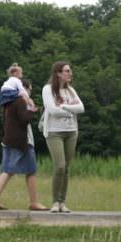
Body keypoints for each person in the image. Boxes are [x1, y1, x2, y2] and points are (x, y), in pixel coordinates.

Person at [0, 71, 47, 211]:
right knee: (18, 170)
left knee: (17, 170)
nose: (30, 93)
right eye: (29, 90)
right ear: (24, 88)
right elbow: (24, 119)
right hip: (21, 141)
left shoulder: (8, 102)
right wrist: (32, 110)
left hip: (11, 139)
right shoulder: (21, 101)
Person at [42, 61, 85, 213]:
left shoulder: (71, 91)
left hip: (71, 132)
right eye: (67, 71)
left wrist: (65, 107)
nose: (70, 73)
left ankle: (62, 202)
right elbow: (52, 110)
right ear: (58, 73)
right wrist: (70, 109)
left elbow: (81, 108)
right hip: (54, 132)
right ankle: (54, 202)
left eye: (70, 71)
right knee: (59, 166)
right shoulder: (48, 89)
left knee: (66, 168)